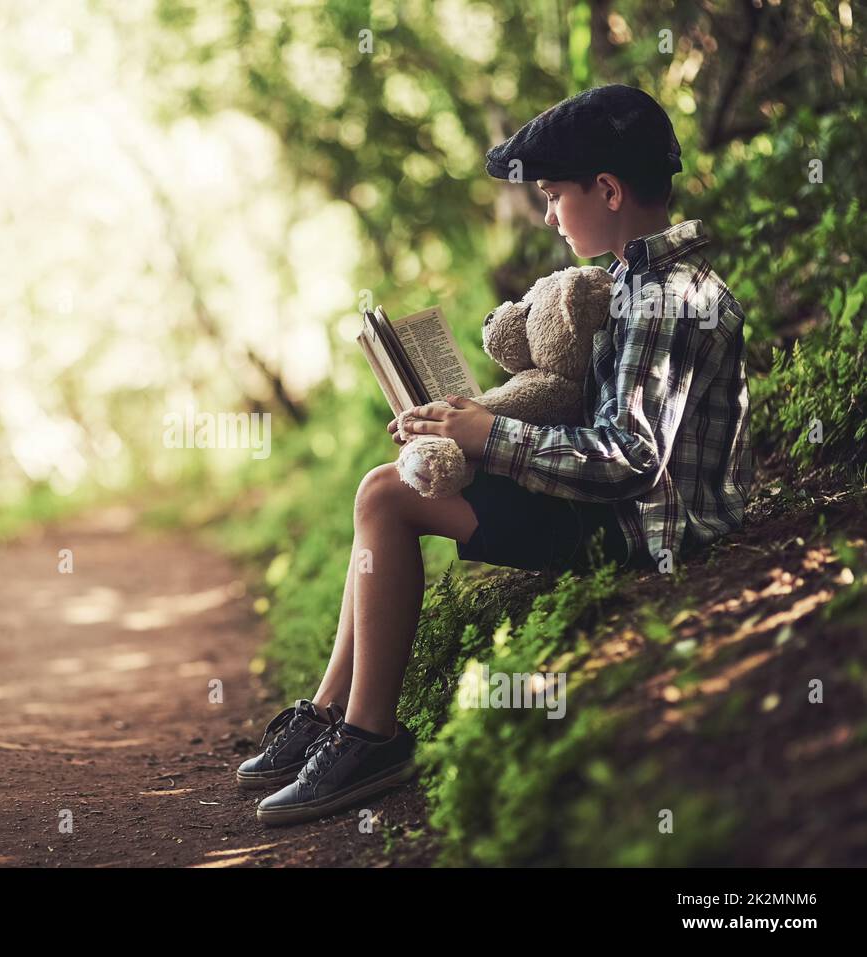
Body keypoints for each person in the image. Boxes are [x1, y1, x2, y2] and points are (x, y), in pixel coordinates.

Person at [244, 84, 755, 827]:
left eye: (553, 196)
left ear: (607, 189)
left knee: (386, 498)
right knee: (384, 486)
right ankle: (332, 714)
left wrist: (488, 437)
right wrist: (468, 418)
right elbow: (589, 407)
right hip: (613, 507)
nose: (548, 215)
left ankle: (369, 735)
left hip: (639, 529)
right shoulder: (634, 283)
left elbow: (631, 458)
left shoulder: (664, 300)